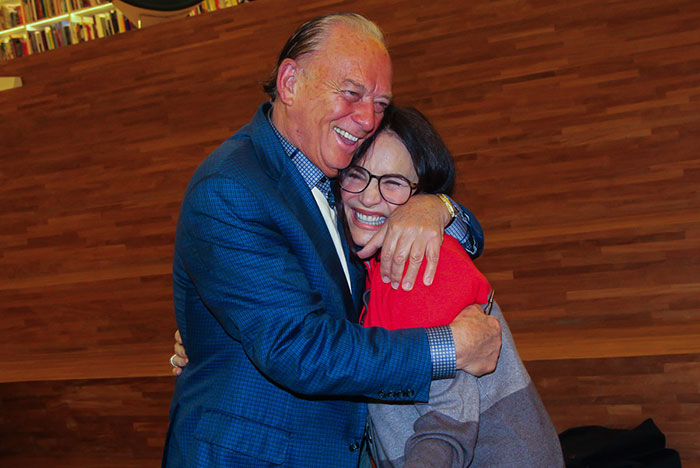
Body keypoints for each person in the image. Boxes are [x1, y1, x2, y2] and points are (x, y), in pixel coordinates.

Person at [162, 13, 501, 468]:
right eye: (351, 93)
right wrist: (451, 346)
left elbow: (462, 237)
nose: (367, 119)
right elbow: (298, 349)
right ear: (289, 82)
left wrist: (438, 207)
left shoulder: (337, 182)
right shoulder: (232, 186)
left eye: (380, 103)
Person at [338, 105, 564, 467]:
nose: (368, 196)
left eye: (392, 183)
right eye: (356, 175)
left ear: (419, 196)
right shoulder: (381, 265)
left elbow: (447, 421)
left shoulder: (412, 265)